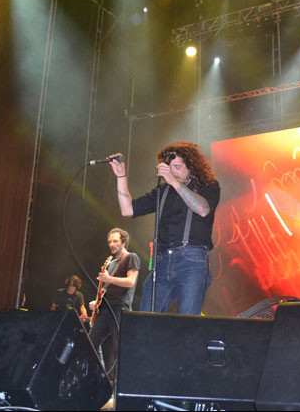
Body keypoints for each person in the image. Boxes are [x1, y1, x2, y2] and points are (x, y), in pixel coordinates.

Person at [109, 141, 220, 315]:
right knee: (146, 318)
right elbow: (127, 209)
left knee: (188, 320)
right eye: (169, 168)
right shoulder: (162, 192)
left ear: (191, 167)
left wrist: (174, 182)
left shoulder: (208, 186)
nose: (173, 172)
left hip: (191, 261)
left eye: (177, 167)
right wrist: (121, 176)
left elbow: (203, 209)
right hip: (162, 262)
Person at [88, 228, 139, 381]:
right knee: (90, 343)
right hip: (105, 309)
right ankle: (101, 380)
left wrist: (109, 279)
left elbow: (130, 281)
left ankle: (120, 386)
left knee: (119, 349)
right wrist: (97, 302)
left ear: (124, 242)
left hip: (119, 308)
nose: (111, 244)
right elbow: (106, 289)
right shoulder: (111, 263)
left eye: (115, 241)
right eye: (110, 241)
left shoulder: (131, 257)